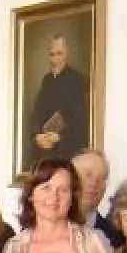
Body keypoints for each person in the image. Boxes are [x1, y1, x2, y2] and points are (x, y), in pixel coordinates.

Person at [28, 34, 89, 164]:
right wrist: (37, 135)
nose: (55, 59)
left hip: (67, 150)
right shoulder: (47, 80)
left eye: (59, 54)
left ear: (67, 55)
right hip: (45, 149)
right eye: (52, 54)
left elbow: (81, 123)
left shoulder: (77, 80)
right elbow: (37, 113)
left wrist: (60, 137)